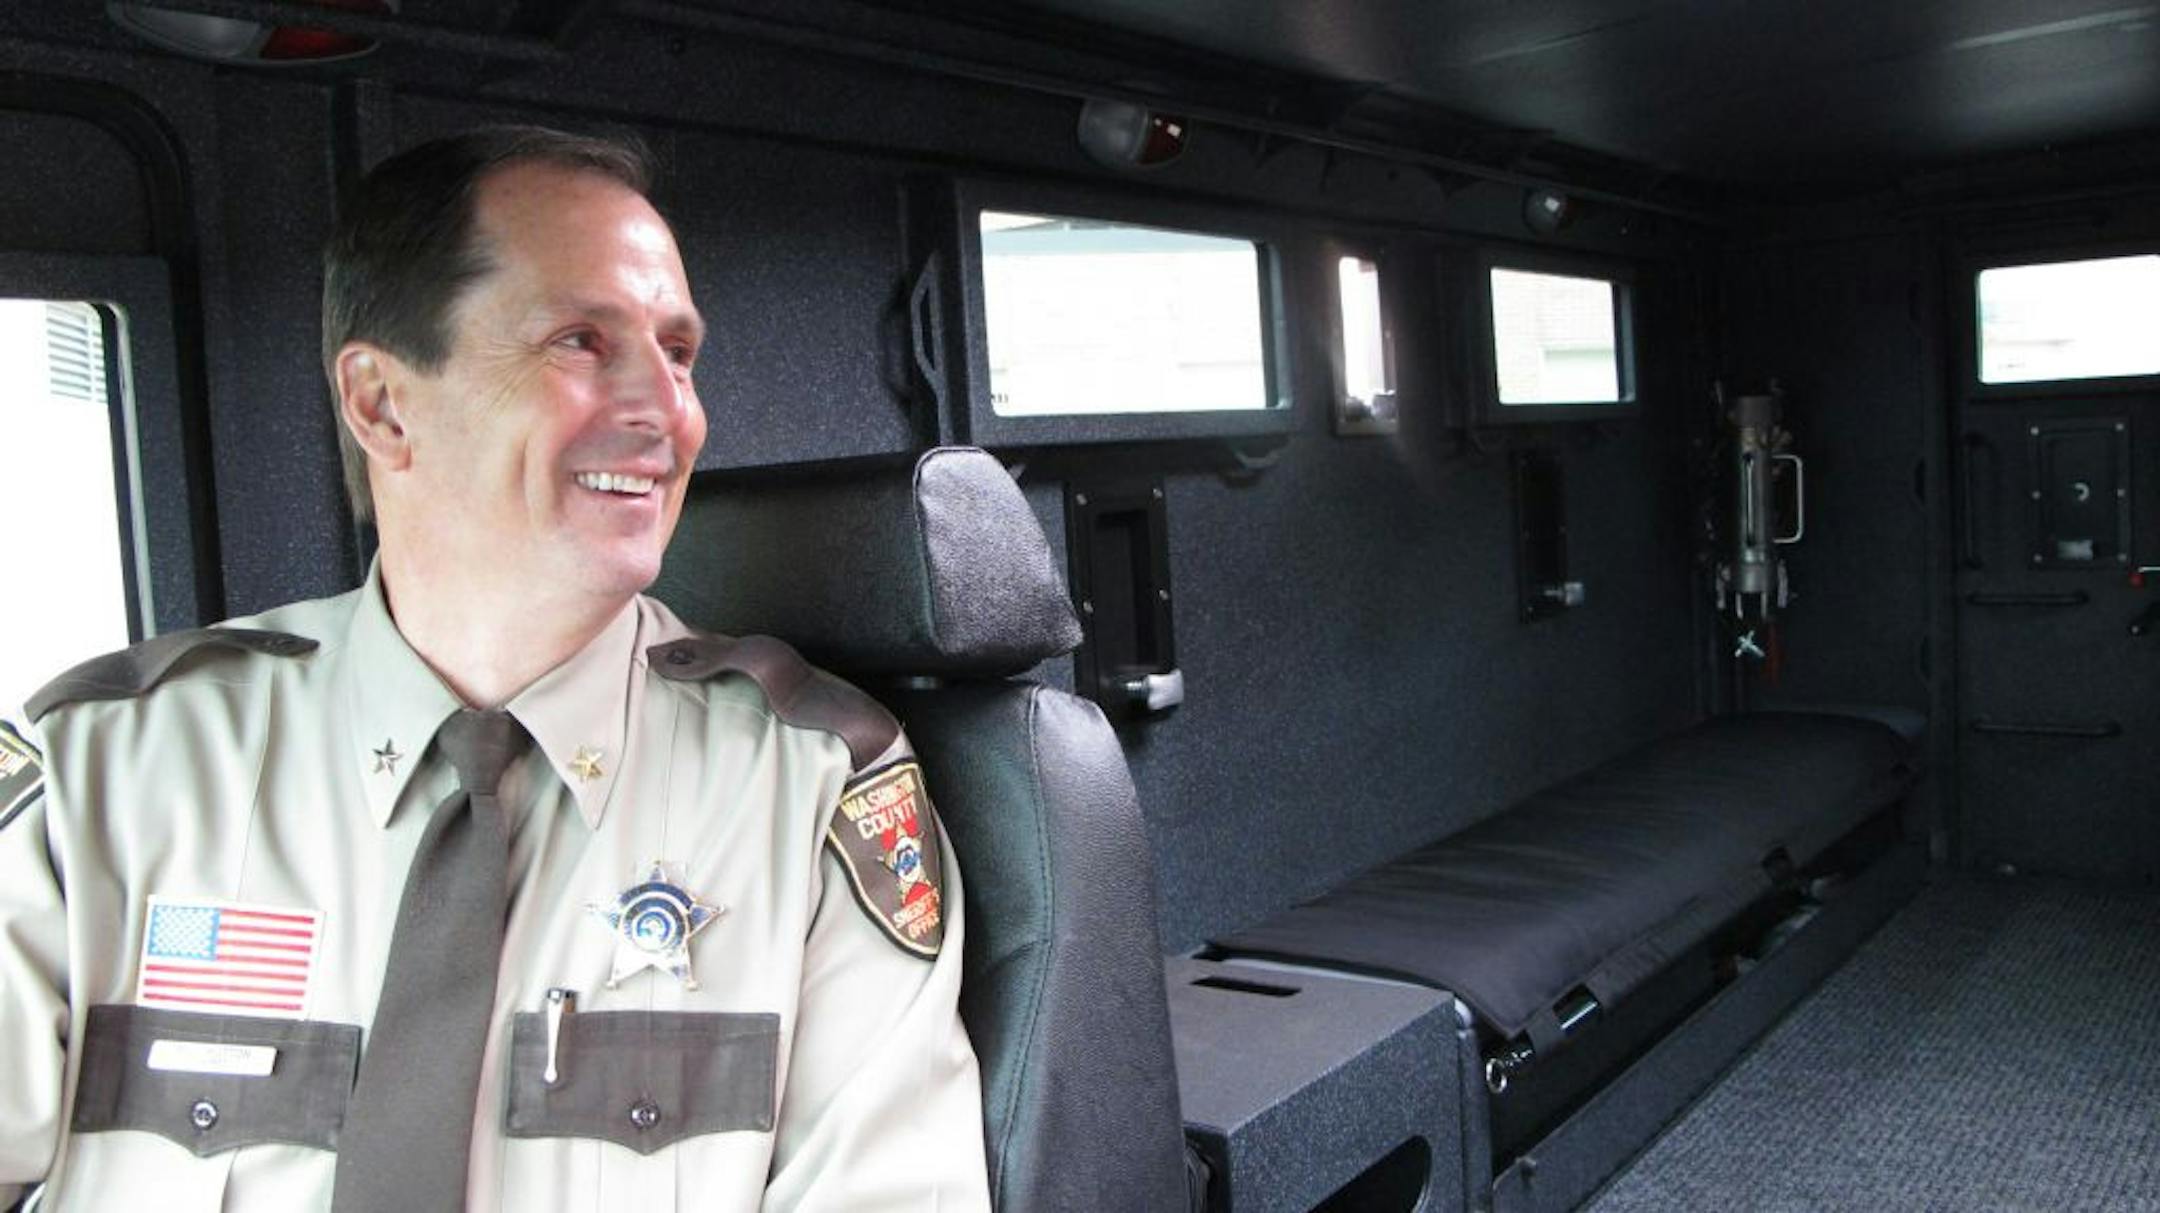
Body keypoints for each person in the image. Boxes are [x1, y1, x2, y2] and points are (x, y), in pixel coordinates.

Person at [0, 126, 991, 1212]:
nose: (668, 411)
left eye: (678, 351)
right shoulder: (100, 769)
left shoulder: (808, 790)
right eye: (580, 340)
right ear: (382, 403)